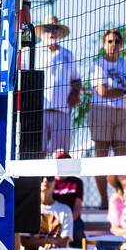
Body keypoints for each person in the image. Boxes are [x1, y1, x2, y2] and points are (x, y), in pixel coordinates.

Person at [88, 29, 126, 206]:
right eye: (109, 41)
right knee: (101, 157)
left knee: (122, 157)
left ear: (121, 44)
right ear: (104, 44)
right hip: (102, 110)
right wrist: (123, 91)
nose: (113, 44)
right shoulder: (98, 64)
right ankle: (104, 199)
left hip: (121, 111)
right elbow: (103, 91)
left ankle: (122, 198)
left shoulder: (125, 63)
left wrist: (124, 90)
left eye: (116, 41)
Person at [35, 17, 82, 155]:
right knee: (37, 151)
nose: (51, 32)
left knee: (61, 154)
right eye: (48, 28)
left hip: (62, 110)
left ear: (59, 32)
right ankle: (41, 178)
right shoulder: (31, 52)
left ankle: (58, 178)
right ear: (42, 32)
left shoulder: (68, 55)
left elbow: (76, 80)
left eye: (55, 28)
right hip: (39, 110)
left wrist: (75, 94)